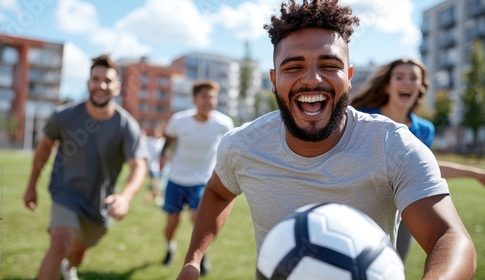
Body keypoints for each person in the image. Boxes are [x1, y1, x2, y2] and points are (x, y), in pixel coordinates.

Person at [176, 1, 477, 279]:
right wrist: (193, 258)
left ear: (349, 76)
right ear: (273, 80)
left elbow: (449, 237)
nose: (312, 79)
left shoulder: (394, 146)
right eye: (293, 67)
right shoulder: (242, 145)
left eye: (329, 65)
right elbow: (217, 192)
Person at [23, 55, 148, 280]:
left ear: (117, 87)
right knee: (60, 243)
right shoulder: (64, 117)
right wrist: (31, 185)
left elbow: (138, 165)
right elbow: (44, 148)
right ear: (88, 83)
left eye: (108, 81)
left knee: (78, 252)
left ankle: (70, 267)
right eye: (95, 79)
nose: (101, 85)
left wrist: (125, 197)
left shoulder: (126, 125)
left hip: (100, 204)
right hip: (65, 193)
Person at [350, 58, 485, 262]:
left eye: (414, 78)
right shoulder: (361, 118)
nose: (407, 82)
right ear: (387, 86)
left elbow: (425, 170)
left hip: (405, 206)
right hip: (360, 203)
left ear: (421, 87)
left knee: (393, 267)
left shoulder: (424, 130)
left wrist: (474, 173)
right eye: (400, 77)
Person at [159, 80, 234, 274]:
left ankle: (200, 256)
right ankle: (170, 247)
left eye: (212, 97)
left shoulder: (223, 123)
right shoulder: (178, 120)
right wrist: (162, 158)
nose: (208, 101)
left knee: (199, 220)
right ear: (194, 99)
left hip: (203, 181)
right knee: (173, 222)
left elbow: (229, 150)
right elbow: (167, 143)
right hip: (176, 179)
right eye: (204, 97)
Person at [143, 124, 166, 206]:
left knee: (156, 183)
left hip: (160, 167)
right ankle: (152, 196)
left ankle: (154, 196)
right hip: (152, 166)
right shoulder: (151, 141)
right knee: (154, 183)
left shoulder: (163, 142)